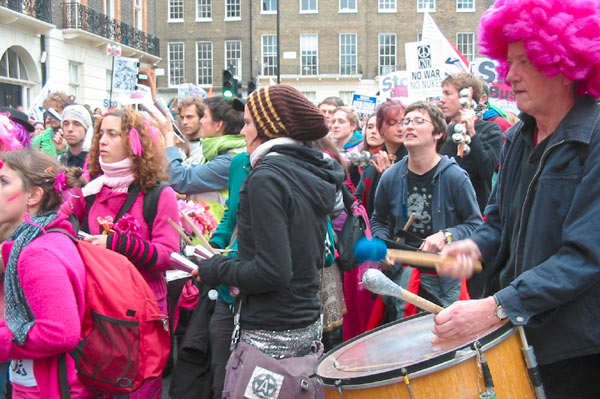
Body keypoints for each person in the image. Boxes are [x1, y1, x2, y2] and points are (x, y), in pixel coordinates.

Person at [433, 1, 600, 398]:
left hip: (580, 348)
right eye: (509, 62)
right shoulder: (517, 138)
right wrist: (474, 245)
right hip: (521, 336)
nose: (511, 74)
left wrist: (497, 306)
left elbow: (585, 255)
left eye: (525, 61)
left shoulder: (594, 140)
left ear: (564, 64)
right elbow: (497, 224)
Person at [192, 84, 345, 398]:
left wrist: (216, 269)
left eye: (248, 123)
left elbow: (272, 272)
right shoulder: (306, 170)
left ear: (269, 128)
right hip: (303, 329)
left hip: (270, 338)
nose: (243, 131)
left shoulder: (266, 177)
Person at [60, 108, 180, 399]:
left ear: (135, 143)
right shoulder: (88, 191)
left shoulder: (158, 194)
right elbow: (58, 228)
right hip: (97, 309)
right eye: (102, 134)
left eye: (113, 135)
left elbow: (169, 255)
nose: (103, 141)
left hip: (141, 312)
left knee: (137, 387)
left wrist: (115, 244)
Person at [370, 101, 482, 321]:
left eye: (419, 121)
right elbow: (379, 221)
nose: (409, 126)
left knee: (445, 340)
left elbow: (475, 225)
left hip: (443, 277)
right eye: (406, 121)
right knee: (404, 343)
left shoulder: (454, 177)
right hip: (401, 274)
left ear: (438, 133)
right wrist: (380, 245)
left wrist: (445, 235)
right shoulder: (391, 176)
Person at [0, 149, 95, 398]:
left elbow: (60, 333)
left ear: (33, 195)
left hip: (49, 388)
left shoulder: (37, 252)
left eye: (3, 182)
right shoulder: (36, 240)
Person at [164, 96, 245, 213]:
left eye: (205, 116)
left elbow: (180, 179)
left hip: (219, 229)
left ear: (218, 125)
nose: (201, 121)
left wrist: (168, 139)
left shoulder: (230, 159)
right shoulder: (217, 152)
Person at [438, 73, 503, 213]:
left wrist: (472, 134)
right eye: (442, 94)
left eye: (448, 94)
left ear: (466, 97)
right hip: (443, 212)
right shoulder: (439, 132)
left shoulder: (491, 129)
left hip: (474, 214)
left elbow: (486, 170)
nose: (442, 100)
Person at [355, 99, 407, 218]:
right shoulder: (373, 160)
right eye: (392, 123)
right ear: (380, 128)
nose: (400, 128)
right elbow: (360, 198)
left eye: (403, 122)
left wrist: (391, 179)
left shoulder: (414, 158)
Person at [32, 91, 74, 157]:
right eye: (48, 112)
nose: (49, 117)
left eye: (55, 111)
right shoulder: (39, 140)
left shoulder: (75, 138)